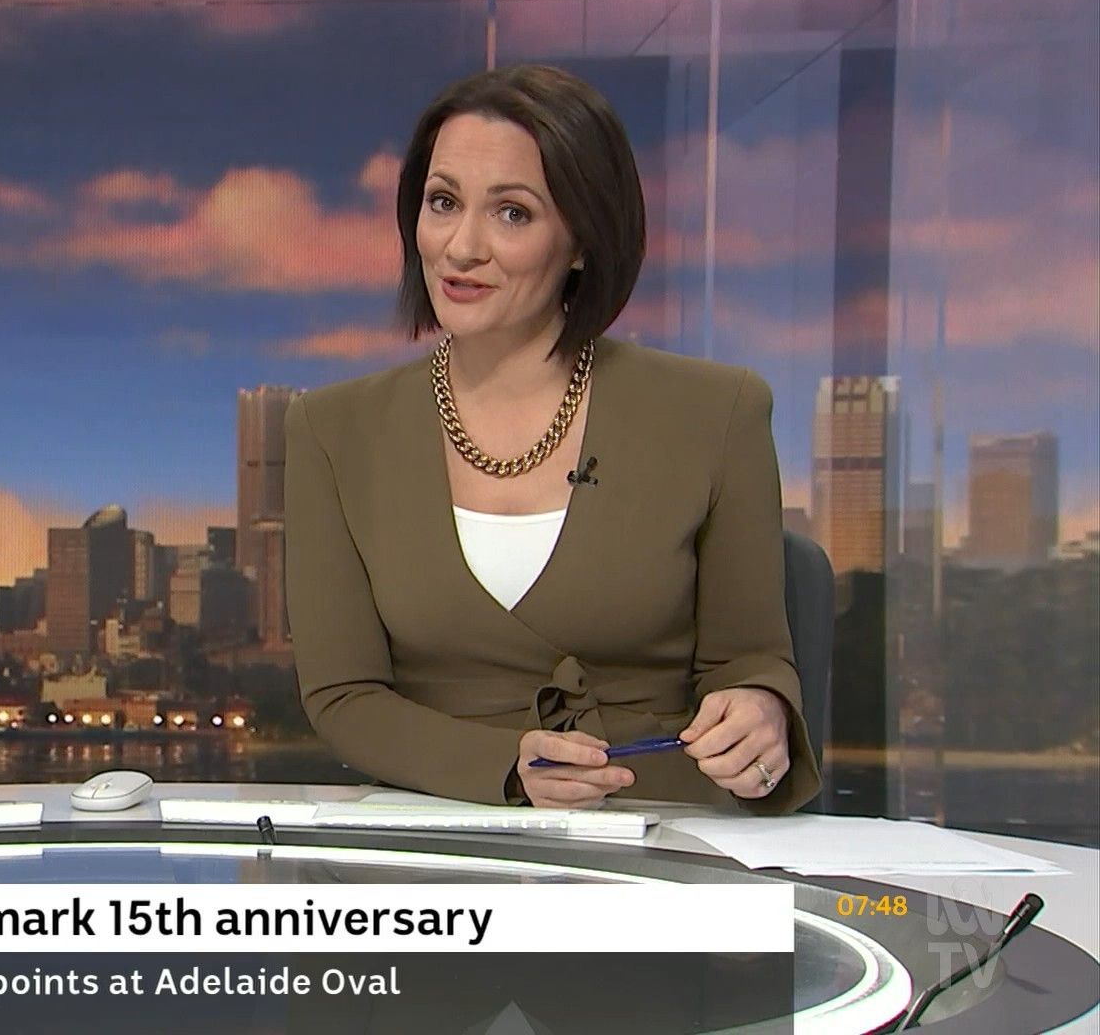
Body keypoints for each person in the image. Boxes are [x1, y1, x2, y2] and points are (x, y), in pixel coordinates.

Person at [285, 65, 820, 813]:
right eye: (443, 203)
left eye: (512, 213)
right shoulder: (331, 431)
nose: (461, 247)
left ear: (581, 241)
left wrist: (760, 709)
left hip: (663, 824)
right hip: (449, 830)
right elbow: (344, 696)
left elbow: (750, 661)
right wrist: (505, 770)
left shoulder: (717, 412)